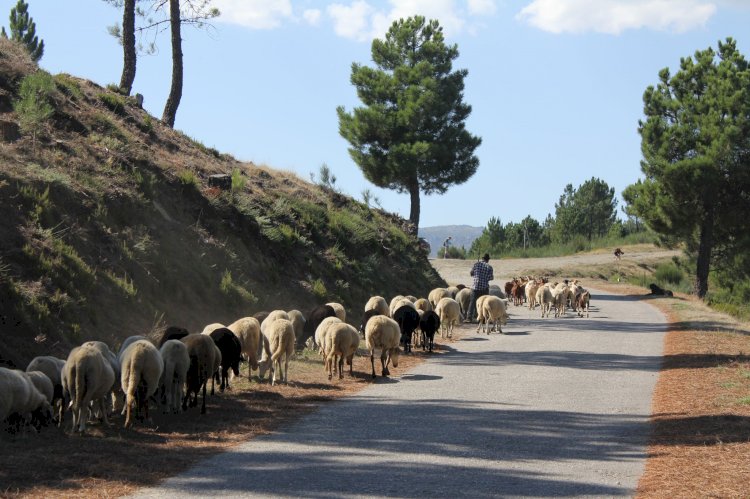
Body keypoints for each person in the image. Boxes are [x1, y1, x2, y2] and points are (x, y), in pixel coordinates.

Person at [465, 253, 494, 323]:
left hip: (475, 287)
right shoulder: (489, 267)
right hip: (484, 288)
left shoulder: (476, 264)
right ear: (488, 260)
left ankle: (469, 318)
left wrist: (476, 274)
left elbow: (471, 273)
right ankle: (484, 318)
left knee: (472, 302)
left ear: (482, 258)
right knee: (484, 303)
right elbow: (491, 278)